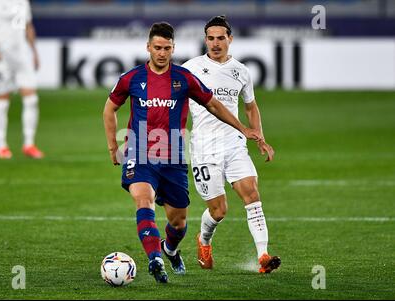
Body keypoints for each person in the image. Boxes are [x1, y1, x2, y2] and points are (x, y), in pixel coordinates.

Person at [103, 22, 263, 283]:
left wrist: (243, 128)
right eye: (157, 48)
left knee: (178, 223)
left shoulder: (183, 78)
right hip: (139, 153)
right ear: (148, 48)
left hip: (173, 158)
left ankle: (170, 249)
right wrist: (113, 146)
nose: (162, 53)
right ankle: (155, 258)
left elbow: (213, 104)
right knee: (143, 201)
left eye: (167, 48)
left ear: (173, 48)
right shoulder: (132, 78)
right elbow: (109, 108)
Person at [182, 15, 281, 273]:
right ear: (205, 40)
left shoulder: (242, 72)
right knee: (218, 211)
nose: (216, 44)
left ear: (230, 39)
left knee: (252, 194)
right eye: (211, 38)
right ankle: (204, 240)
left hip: (234, 143)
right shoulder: (190, 68)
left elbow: (251, 107)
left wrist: (259, 136)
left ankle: (263, 256)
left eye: (221, 38)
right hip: (203, 147)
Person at [0, 0, 44, 159]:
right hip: (2, 58)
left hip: (22, 56)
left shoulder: (23, 2)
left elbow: (28, 26)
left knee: (32, 100)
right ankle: (1, 145)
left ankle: (29, 144)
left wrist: (34, 52)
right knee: (2, 101)